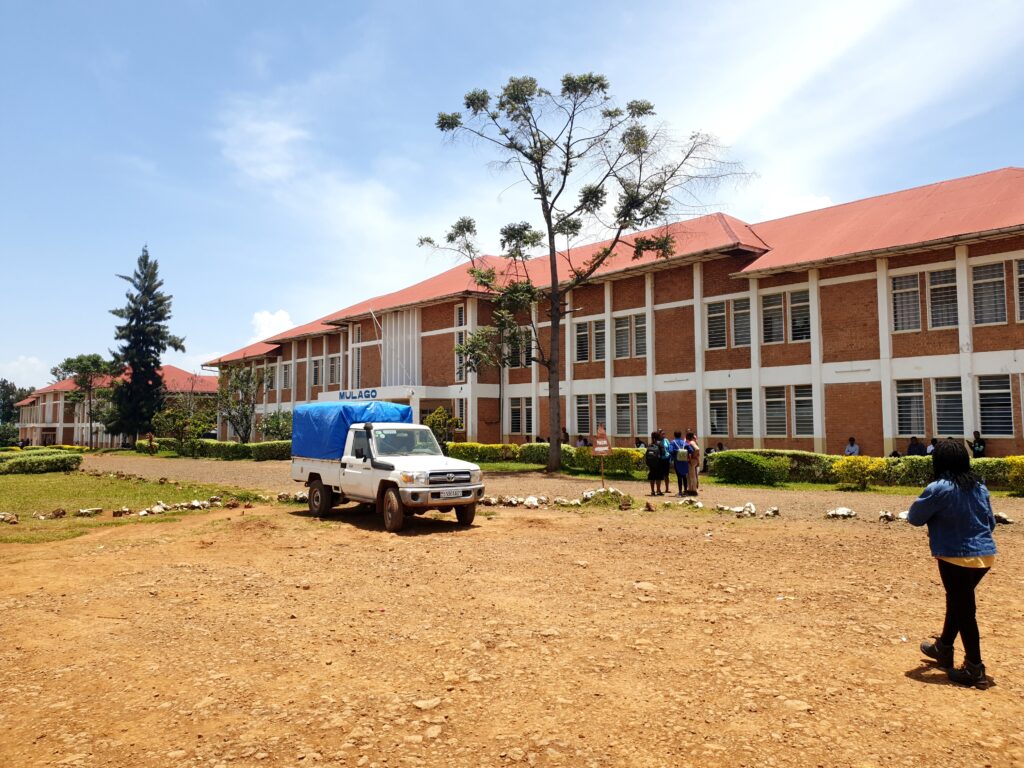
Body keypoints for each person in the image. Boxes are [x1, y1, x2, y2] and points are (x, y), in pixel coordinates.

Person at [908, 440, 997, 687]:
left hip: (954, 556)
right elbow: (990, 523)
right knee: (958, 601)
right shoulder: (979, 487)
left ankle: (974, 668)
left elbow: (915, 518)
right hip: (985, 556)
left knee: (964, 610)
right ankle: (944, 648)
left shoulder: (939, 488)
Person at [670, 431, 691, 496]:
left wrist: (676, 452)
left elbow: (670, 450)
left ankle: (680, 492)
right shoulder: (684, 442)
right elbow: (691, 450)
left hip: (677, 461)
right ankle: (685, 491)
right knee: (684, 476)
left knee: (679, 477)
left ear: (674, 435)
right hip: (685, 462)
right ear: (680, 435)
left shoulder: (673, 442)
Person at [644, 431, 666, 496]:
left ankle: (652, 491)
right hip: (658, 463)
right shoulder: (659, 444)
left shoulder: (650, 445)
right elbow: (663, 453)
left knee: (652, 477)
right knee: (658, 477)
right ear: (658, 437)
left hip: (651, 464)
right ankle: (658, 491)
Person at [685, 431, 701, 495]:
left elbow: (697, 449)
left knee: (692, 475)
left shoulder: (691, 442)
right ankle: (691, 489)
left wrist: (693, 456)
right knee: (690, 475)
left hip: (692, 461)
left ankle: (693, 490)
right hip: (693, 460)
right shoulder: (693, 442)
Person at [658, 429, 672, 494]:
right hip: (660, 460)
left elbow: (669, 448)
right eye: (662, 434)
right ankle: (659, 489)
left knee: (666, 475)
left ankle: (667, 489)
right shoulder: (657, 441)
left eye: (664, 434)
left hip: (666, 459)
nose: (664, 435)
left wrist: (670, 455)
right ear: (659, 434)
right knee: (660, 475)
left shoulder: (666, 440)